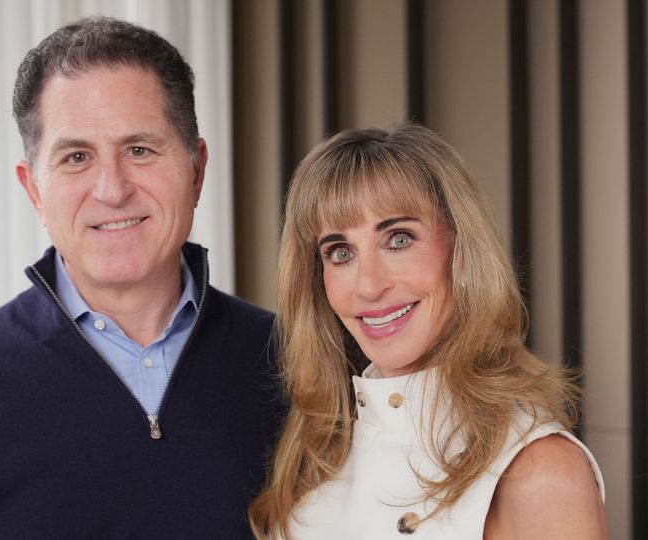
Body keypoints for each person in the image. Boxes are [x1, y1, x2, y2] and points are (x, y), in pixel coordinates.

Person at [0, 17, 283, 539]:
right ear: (33, 190)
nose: (112, 189)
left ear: (197, 169)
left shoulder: (298, 366)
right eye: (76, 157)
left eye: (140, 150)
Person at [249, 125, 606, 539]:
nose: (369, 286)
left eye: (399, 239)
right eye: (340, 252)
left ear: (462, 249)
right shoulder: (312, 450)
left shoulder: (540, 472)